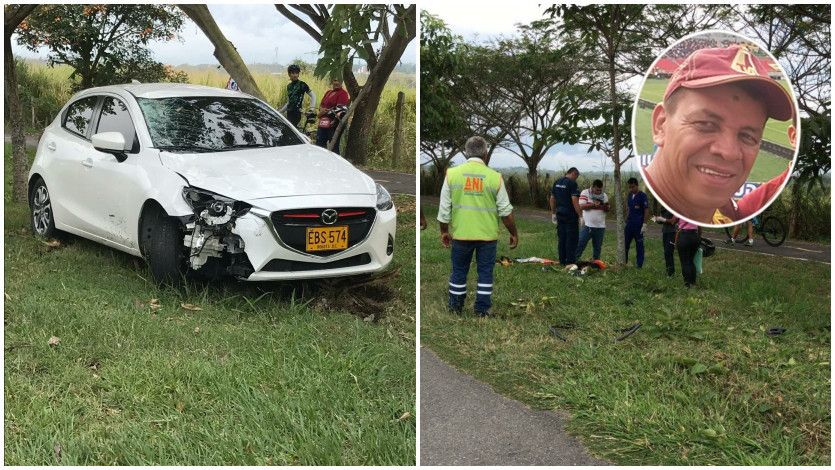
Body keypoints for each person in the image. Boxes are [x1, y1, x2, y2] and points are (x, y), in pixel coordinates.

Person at [643, 44, 794, 224]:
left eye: (747, 136)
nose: (729, 152)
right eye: (706, 124)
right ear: (661, 125)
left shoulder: (729, 214)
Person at [437, 136, 518, 317]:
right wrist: (513, 233)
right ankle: (482, 310)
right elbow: (505, 211)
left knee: (458, 271)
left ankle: (455, 307)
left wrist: (444, 231)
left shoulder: (452, 175)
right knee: (485, 274)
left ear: (466, 153)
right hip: (487, 238)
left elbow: (444, 209)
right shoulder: (495, 178)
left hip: (461, 235)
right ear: (485, 153)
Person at [549, 168, 581, 265]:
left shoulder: (557, 182)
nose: (576, 179)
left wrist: (553, 213)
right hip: (570, 216)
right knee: (571, 239)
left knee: (562, 239)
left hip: (560, 215)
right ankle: (570, 262)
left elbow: (552, 198)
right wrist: (580, 215)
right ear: (573, 174)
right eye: (576, 177)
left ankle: (562, 260)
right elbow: (574, 199)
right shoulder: (572, 183)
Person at [575, 179, 609, 261]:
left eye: (600, 190)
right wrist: (593, 205)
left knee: (597, 247)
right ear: (593, 187)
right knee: (580, 244)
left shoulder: (604, 195)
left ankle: (596, 263)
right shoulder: (585, 193)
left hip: (600, 226)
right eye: (597, 190)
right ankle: (574, 260)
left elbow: (608, 208)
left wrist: (604, 206)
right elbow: (581, 206)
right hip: (587, 225)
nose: (599, 192)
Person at [316, 77, 350, 153]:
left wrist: (324, 112)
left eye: (339, 81)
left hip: (334, 123)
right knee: (319, 144)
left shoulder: (343, 93)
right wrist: (322, 111)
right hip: (323, 123)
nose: (336, 82)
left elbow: (340, 110)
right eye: (335, 80)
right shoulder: (328, 92)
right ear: (332, 81)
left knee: (334, 147)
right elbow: (321, 105)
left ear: (342, 82)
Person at [278, 64, 316, 130]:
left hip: (297, 113)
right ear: (289, 74)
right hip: (289, 112)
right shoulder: (289, 86)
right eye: (293, 73)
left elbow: (313, 96)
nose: (295, 75)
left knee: (290, 131)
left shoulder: (302, 84)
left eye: (296, 73)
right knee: (287, 131)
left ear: (298, 74)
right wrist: (280, 111)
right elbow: (290, 101)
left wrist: (311, 110)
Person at [624, 177, 649, 268]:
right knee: (625, 244)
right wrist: (626, 220)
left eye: (633, 187)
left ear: (637, 185)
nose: (631, 189)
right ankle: (624, 261)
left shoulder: (643, 195)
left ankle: (639, 265)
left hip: (639, 225)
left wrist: (645, 224)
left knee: (639, 245)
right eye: (629, 187)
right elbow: (629, 209)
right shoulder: (629, 195)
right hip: (629, 224)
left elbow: (646, 210)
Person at [652, 207, 678, 276]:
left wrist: (664, 220)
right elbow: (662, 221)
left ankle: (671, 273)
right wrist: (657, 219)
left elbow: (673, 221)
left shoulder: (674, 207)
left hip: (672, 232)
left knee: (669, 252)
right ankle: (668, 271)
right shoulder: (663, 208)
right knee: (666, 253)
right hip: (665, 232)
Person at [676, 218, 701, 287]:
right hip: (694, 235)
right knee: (691, 260)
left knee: (685, 261)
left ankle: (687, 283)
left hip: (684, 235)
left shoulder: (680, 210)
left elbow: (674, 220)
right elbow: (700, 226)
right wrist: (699, 238)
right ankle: (693, 282)